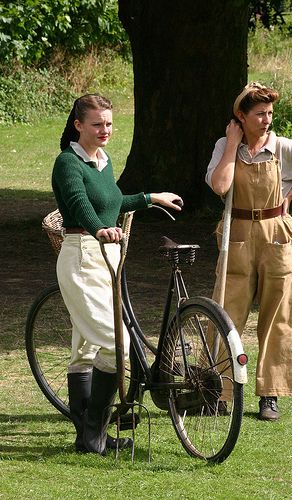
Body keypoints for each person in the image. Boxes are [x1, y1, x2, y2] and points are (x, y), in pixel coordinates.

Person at [52, 94, 183, 454]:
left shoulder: (102, 161)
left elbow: (111, 202)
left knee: (86, 347)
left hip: (107, 257)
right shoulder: (68, 163)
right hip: (82, 257)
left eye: (108, 123)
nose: (104, 130)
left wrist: (150, 198)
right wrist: (98, 230)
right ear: (78, 125)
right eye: (97, 124)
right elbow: (81, 205)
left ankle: (86, 433)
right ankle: (94, 435)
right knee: (117, 343)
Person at [206, 82, 292, 421]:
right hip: (236, 231)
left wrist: (290, 195)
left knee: (279, 314)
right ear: (241, 117)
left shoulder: (283, 147)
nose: (266, 120)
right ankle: (217, 390)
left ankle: (270, 393)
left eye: (270, 114)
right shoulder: (225, 145)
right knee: (226, 310)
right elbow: (220, 186)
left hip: (277, 234)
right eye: (259, 114)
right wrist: (233, 144)